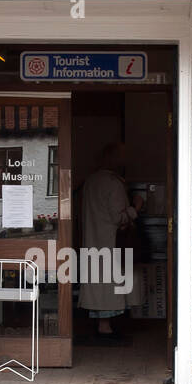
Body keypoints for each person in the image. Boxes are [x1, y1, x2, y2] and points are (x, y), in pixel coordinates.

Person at [79, 142, 143, 343]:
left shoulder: (90, 181)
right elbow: (119, 217)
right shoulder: (114, 183)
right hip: (110, 242)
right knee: (109, 285)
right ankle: (105, 328)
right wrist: (137, 207)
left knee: (98, 284)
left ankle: (102, 326)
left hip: (93, 241)